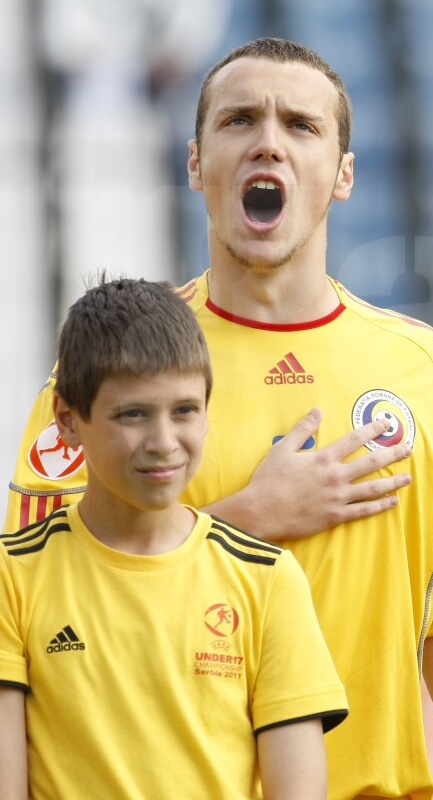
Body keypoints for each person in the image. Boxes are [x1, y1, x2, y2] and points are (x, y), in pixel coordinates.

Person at [7, 38, 433, 800]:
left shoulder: (421, 365)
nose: (269, 143)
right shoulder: (110, 366)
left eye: (302, 126)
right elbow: (40, 604)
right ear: (196, 162)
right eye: (240, 120)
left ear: (343, 173)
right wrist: (251, 517)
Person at [0, 277, 347, 799]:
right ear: (68, 421)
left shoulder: (269, 579)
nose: (163, 442)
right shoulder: (13, 577)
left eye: (184, 410)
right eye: (133, 414)